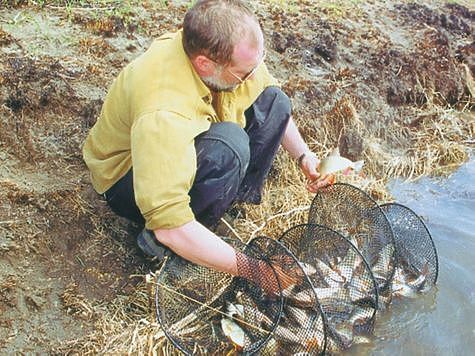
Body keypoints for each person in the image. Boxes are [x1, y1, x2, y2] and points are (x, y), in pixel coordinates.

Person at [82, 0, 332, 287]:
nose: (253, 75)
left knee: (276, 102)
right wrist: (253, 269)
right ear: (205, 64)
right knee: (229, 148)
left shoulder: (225, 60)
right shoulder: (164, 110)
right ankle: (160, 246)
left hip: (181, 136)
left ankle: (221, 205)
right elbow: (169, 225)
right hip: (128, 178)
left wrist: (305, 157)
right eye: (245, 73)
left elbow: (262, 88)